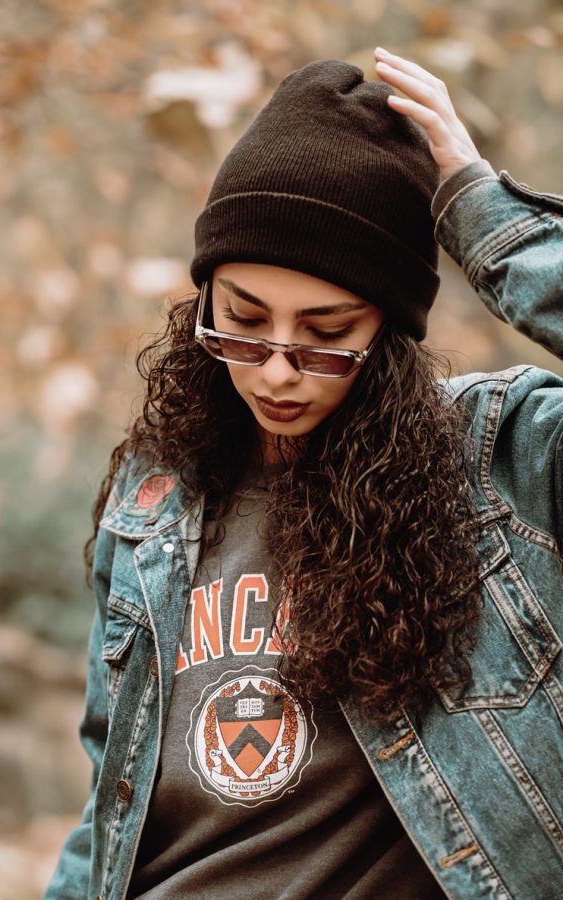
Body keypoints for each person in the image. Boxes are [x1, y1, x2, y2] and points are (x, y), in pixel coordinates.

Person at [45, 48, 563, 900]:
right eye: (242, 322)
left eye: (325, 332)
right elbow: (110, 799)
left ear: (389, 333)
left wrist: (483, 217)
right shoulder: (154, 497)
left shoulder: (505, 460)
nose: (276, 371)